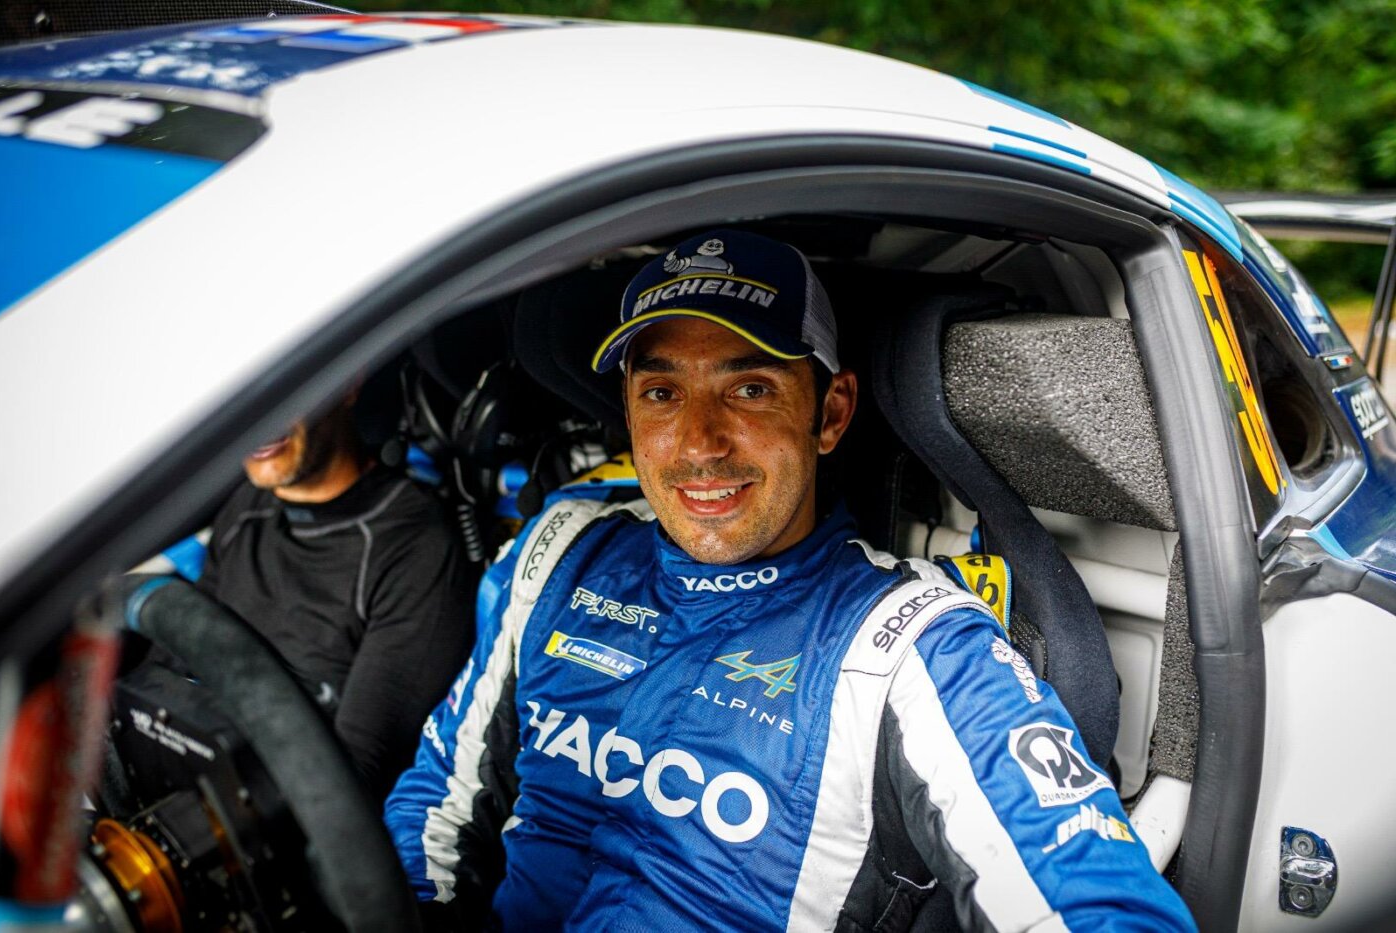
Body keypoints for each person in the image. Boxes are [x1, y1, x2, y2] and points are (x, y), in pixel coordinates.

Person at [385, 230, 1196, 931]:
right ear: (629, 414)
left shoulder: (910, 643)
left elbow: (1098, 902)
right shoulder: (565, 547)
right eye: (662, 392)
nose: (699, 443)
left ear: (831, 413)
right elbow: (439, 800)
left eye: (750, 389)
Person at [196, 390, 473, 802]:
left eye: (279, 389)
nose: (256, 421)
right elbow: (168, 665)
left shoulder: (413, 546)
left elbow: (353, 777)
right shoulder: (245, 509)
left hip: (287, 810)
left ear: (347, 385)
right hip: (196, 772)